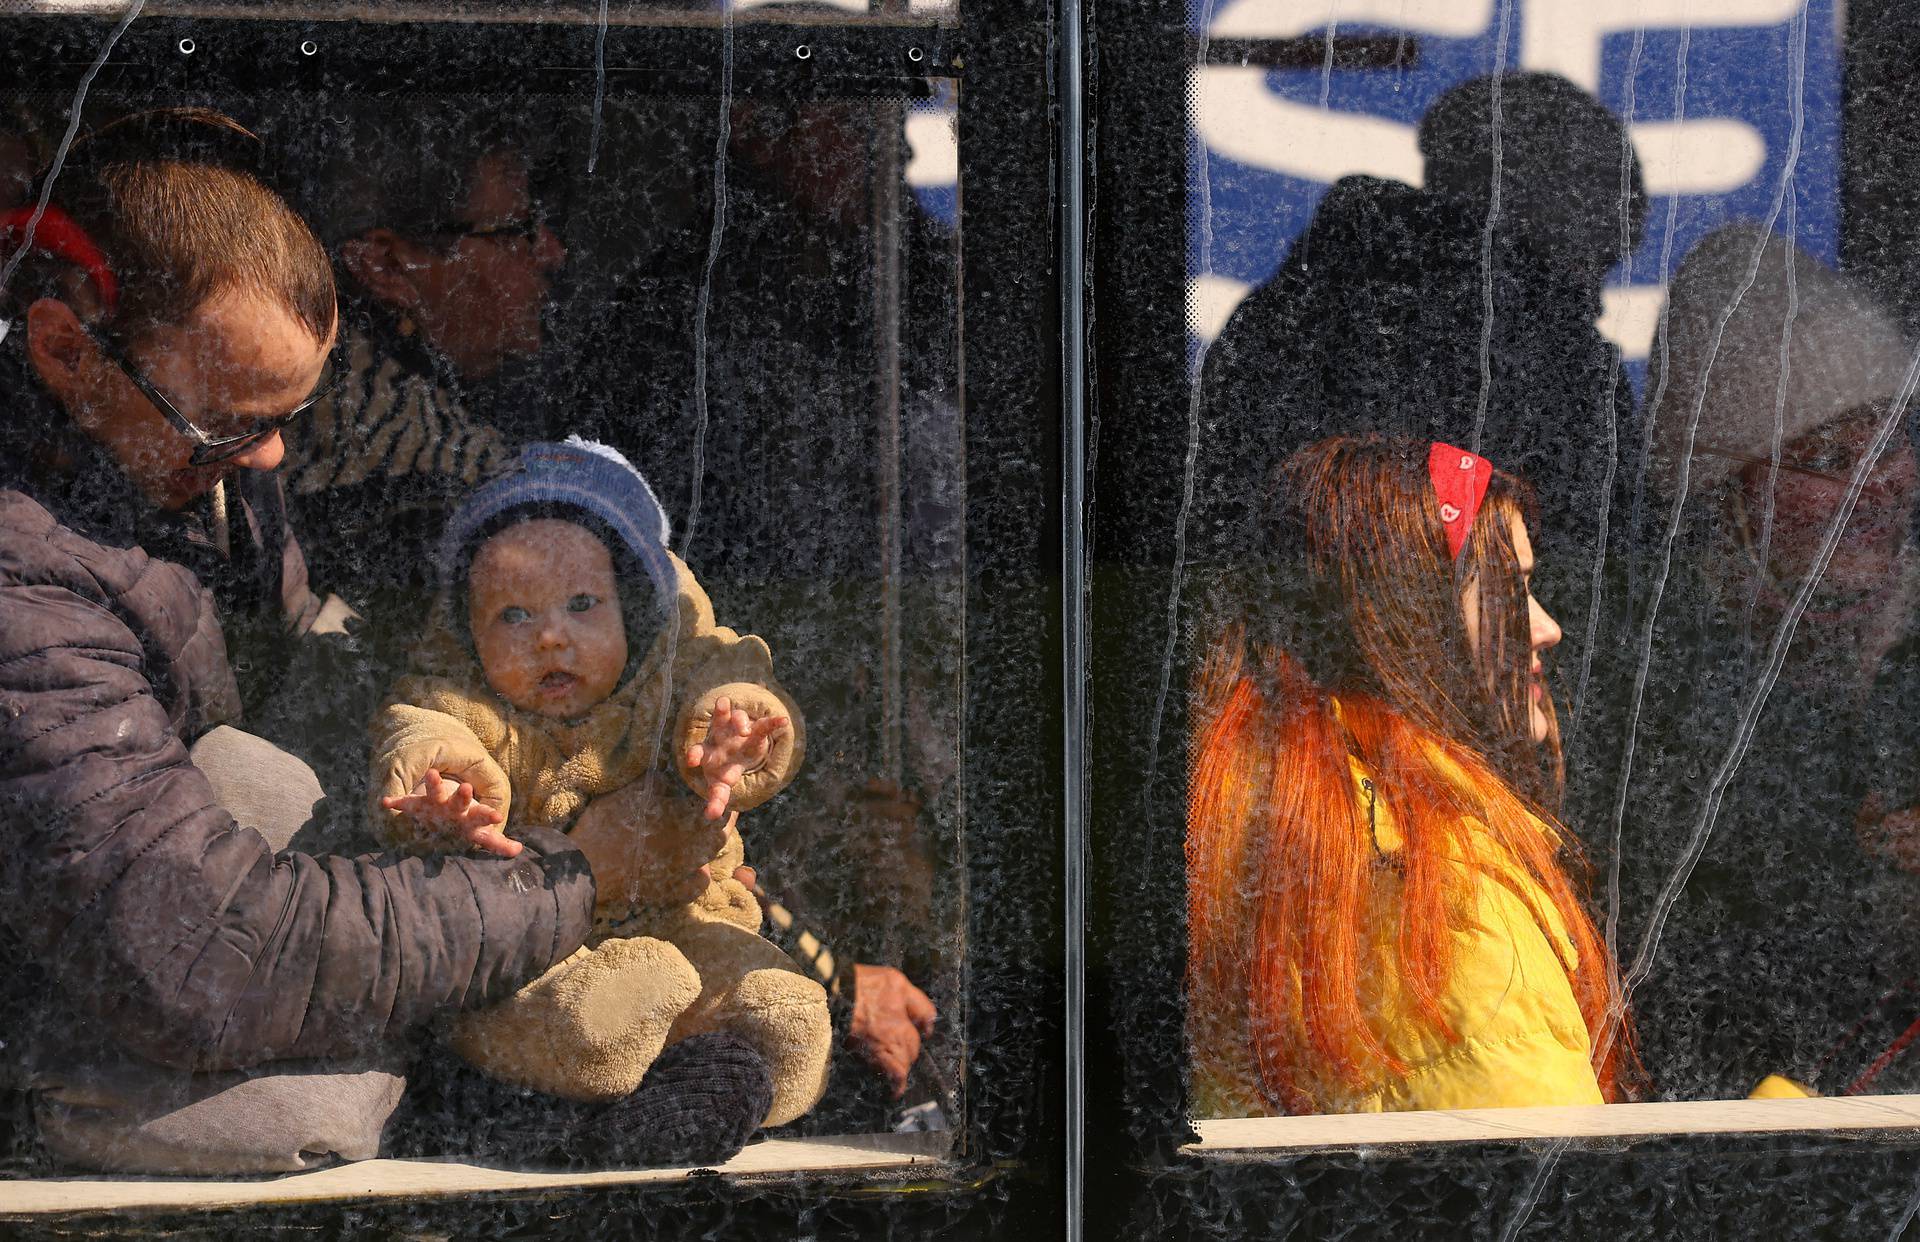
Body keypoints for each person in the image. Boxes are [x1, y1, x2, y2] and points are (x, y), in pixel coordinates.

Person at [0, 107, 768, 1174]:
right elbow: (208, 948)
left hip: (218, 930)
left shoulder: (183, 481)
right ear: (62, 351)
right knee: (290, 1087)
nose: (271, 460)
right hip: (119, 985)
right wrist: (580, 871)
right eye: (224, 427)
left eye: (290, 418)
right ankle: (512, 1102)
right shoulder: (26, 582)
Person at [370, 437, 831, 1142]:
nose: (551, 638)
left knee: (779, 1009)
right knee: (554, 1014)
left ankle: (734, 1055)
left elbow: (732, 675)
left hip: (681, 922)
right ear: (468, 630)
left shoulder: (667, 681)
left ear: (633, 608)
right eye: (513, 616)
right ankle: (585, 1065)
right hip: (530, 945)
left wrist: (737, 733)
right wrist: (443, 789)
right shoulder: (466, 699)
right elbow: (422, 729)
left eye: (583, 604)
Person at [1186, 436, 1632, 1116]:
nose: (1547, 629)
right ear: (1410, 620)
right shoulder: (1450, 900)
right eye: (1509, 593)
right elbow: (1548, 1192)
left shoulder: (1275, 825)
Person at [1604, 223, 1920, 1099]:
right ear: (1725, 487)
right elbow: (1673, 942)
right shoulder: (1642, 677)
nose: (1876, 486)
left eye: (1891, 443)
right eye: (1825, 460)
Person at [1195, 72, 1646, 670]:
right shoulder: (1540, 360)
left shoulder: (1296, 313)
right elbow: (1607, 579)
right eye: (1598, 255)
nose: (1599, 297)